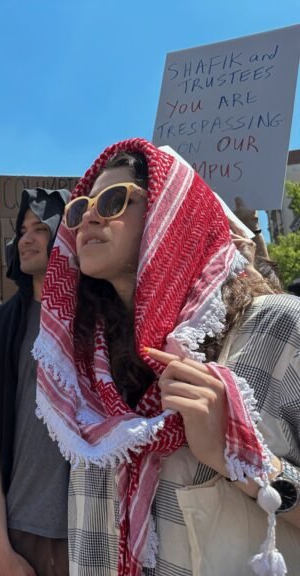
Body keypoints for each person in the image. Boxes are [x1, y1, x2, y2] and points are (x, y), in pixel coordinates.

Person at [34, 138, 300, 576]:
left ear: (169, 214)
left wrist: (239, 455)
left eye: (115, 200)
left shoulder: (278, 329)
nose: (90, 218)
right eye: (80, 209)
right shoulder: (82, 375)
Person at [0, 187, 71, 576]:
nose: (26, 238)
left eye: (40, 228)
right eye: (22, 229)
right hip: (18, 531)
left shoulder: (100, 318)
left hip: (93, 528)